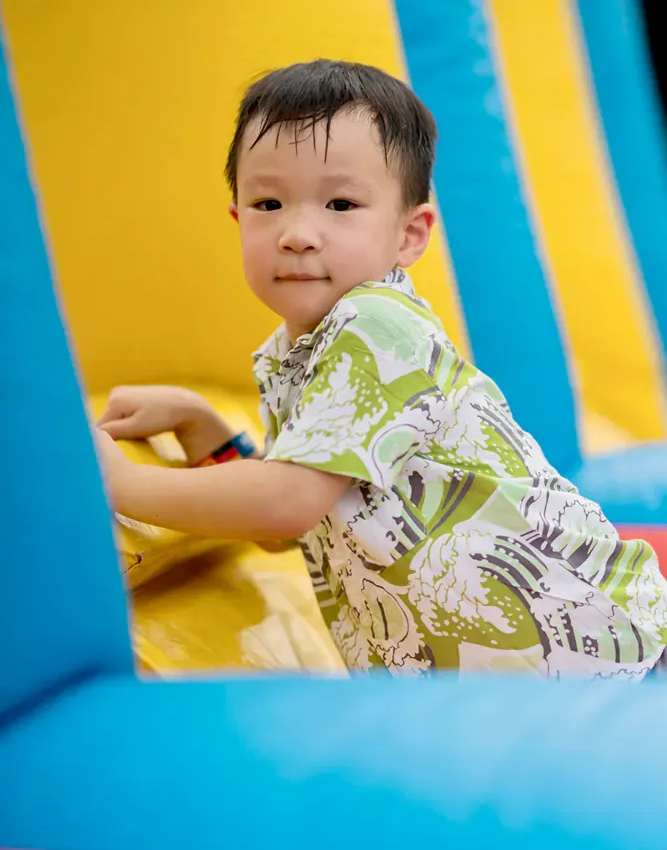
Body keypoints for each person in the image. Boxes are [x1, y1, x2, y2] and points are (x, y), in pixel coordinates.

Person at [97, 59, 667, 678]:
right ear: (238, 219)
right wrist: (205, 429)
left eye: (340, 203)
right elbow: (293, 526)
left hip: (608, 655)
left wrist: (123, 487)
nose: (297, 232)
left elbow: (287, 503)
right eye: (268, 202)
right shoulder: (293, 356)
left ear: (408, 235)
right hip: (511, 688)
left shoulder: (373, 325)